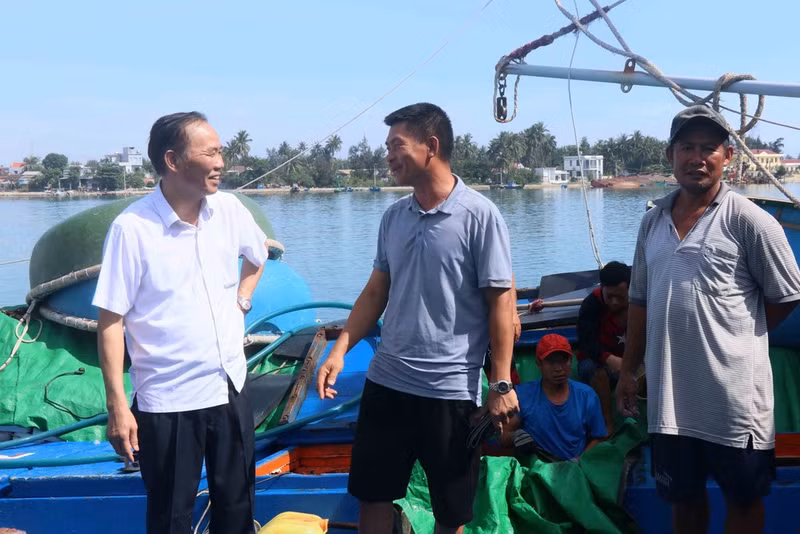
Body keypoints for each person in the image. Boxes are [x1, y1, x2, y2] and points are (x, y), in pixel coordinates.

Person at [315, 103, 518, 534]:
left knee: (451, 511)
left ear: (431, 146)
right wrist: (340, 349)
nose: (387, 156)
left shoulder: (480, 216)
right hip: (387, 382)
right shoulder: (393, 217)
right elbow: (375, 292)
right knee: (373, 494)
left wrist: (500, 384)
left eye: (396, 145)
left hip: (450, 389)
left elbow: (501, 304)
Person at [616, 105, 800, 534]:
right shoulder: (651, 222)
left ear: (728, 157)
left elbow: (787, 295)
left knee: (744, 502)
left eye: (708, 148)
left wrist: (742, 337)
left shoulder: (749, 220)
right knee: (684, 502)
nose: (697, 157)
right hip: (671, 402)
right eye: (687, 148)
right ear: (670, 155)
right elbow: (640, 301)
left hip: (735, 404)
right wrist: (628, 370)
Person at [93, 112, 270, 534]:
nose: (221, 162)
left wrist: (242, 298)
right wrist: (118, 405)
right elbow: (110, 321)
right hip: (168, 400)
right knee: (170, 518)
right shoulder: (132, 229)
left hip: (229, 387)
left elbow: (258, 255)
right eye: (210, 152)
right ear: (173, 161)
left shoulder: (229, 210)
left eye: (221, 151)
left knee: (237, 511)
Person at [502, 333, 606, 461]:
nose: (558, 369)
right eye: (551, 362)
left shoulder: (587, 396)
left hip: (577, 472)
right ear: (539, 363)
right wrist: (515, 436)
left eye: (563, 360)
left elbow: (599, 437)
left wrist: (580, 461)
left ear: (571, 361)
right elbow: (503, 436)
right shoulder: (523, 396)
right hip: (537, 473)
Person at [576, 261, 631, 435]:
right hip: (599, 363)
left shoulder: (640, 304)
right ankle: (607, 424)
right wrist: (609, 359)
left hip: (632, 360)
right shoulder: (591, 304)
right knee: (593, 369)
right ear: (602, 288)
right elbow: (586, 342)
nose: (614, 302)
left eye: (620, 297)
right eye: (610, 296)